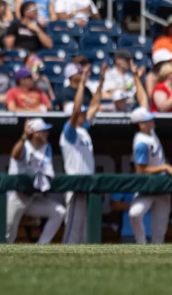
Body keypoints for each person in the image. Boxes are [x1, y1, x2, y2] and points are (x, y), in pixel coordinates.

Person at [60, 69, 105, 245]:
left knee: (86, 229)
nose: (85, 114)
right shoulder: (69, 131)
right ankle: (66, 258)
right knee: (73, 229)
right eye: (82, 113)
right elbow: (78, 108)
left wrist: (101, 82)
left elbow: (94, 105)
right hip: (75, 183)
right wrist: (81, 84)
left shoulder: (84, 129)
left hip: (87, 183)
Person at [6, 118, 66, 244]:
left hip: (31, 197)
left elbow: (46, 169)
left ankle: (41, 247)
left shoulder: (46, 146)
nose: (47, 133)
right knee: (8, 233)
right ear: (35, 133)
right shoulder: (24, 146)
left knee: (59, 212)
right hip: (15, 196)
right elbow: (15, 155)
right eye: (43, 131)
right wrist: (23, 137)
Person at [129, 106, 172, 244]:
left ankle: (154, 258)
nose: (152, 121)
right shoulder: (141, 142)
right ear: (141, 125)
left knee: (159, 234)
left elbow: (142, 101)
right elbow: (142, 170)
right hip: (145, 188)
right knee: (135, 214)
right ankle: (141, 245)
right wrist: (165, 166)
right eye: (148, 120)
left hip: (162, 189)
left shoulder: (151, 133)